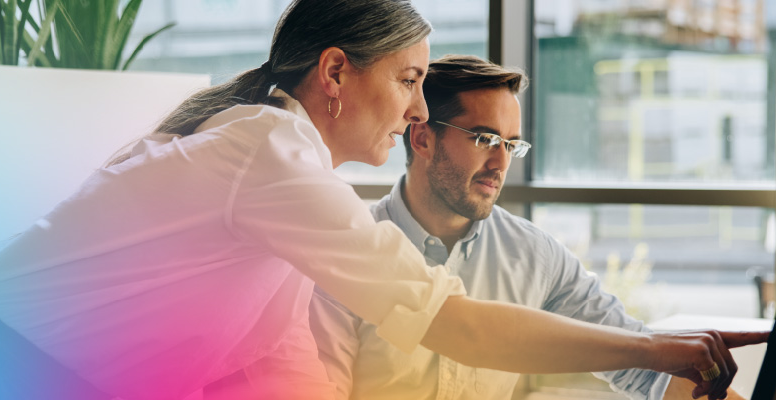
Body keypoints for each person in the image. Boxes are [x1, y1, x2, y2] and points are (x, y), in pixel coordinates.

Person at [0, 1, 766, 399]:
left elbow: (273, 371)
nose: (421, 110)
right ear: (336, 73)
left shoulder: (285, 181)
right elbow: (453, 323)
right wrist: (659, 346)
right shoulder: (267, 154)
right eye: (411, 80)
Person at [309, 55, 752, 400]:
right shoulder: (353, 255)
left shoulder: (534, 255)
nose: (501, 164)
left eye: (511, 145)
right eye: (484, 139)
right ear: (422, 138)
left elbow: (641, 367)